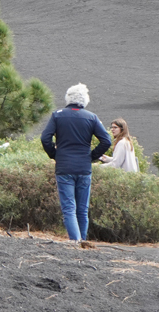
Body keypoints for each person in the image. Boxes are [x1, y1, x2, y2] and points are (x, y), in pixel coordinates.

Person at [41, 83, 111, 242]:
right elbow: (106, 141)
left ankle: (75, 242)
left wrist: (55, 154)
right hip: (84, 168)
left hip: (64, 167)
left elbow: (45, 138)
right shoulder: (91, 117)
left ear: (68, 98)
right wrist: (92, 156)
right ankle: (82, 243)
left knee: (69, 209)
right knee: (82, 210)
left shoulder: (57, 115)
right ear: (85, 100)